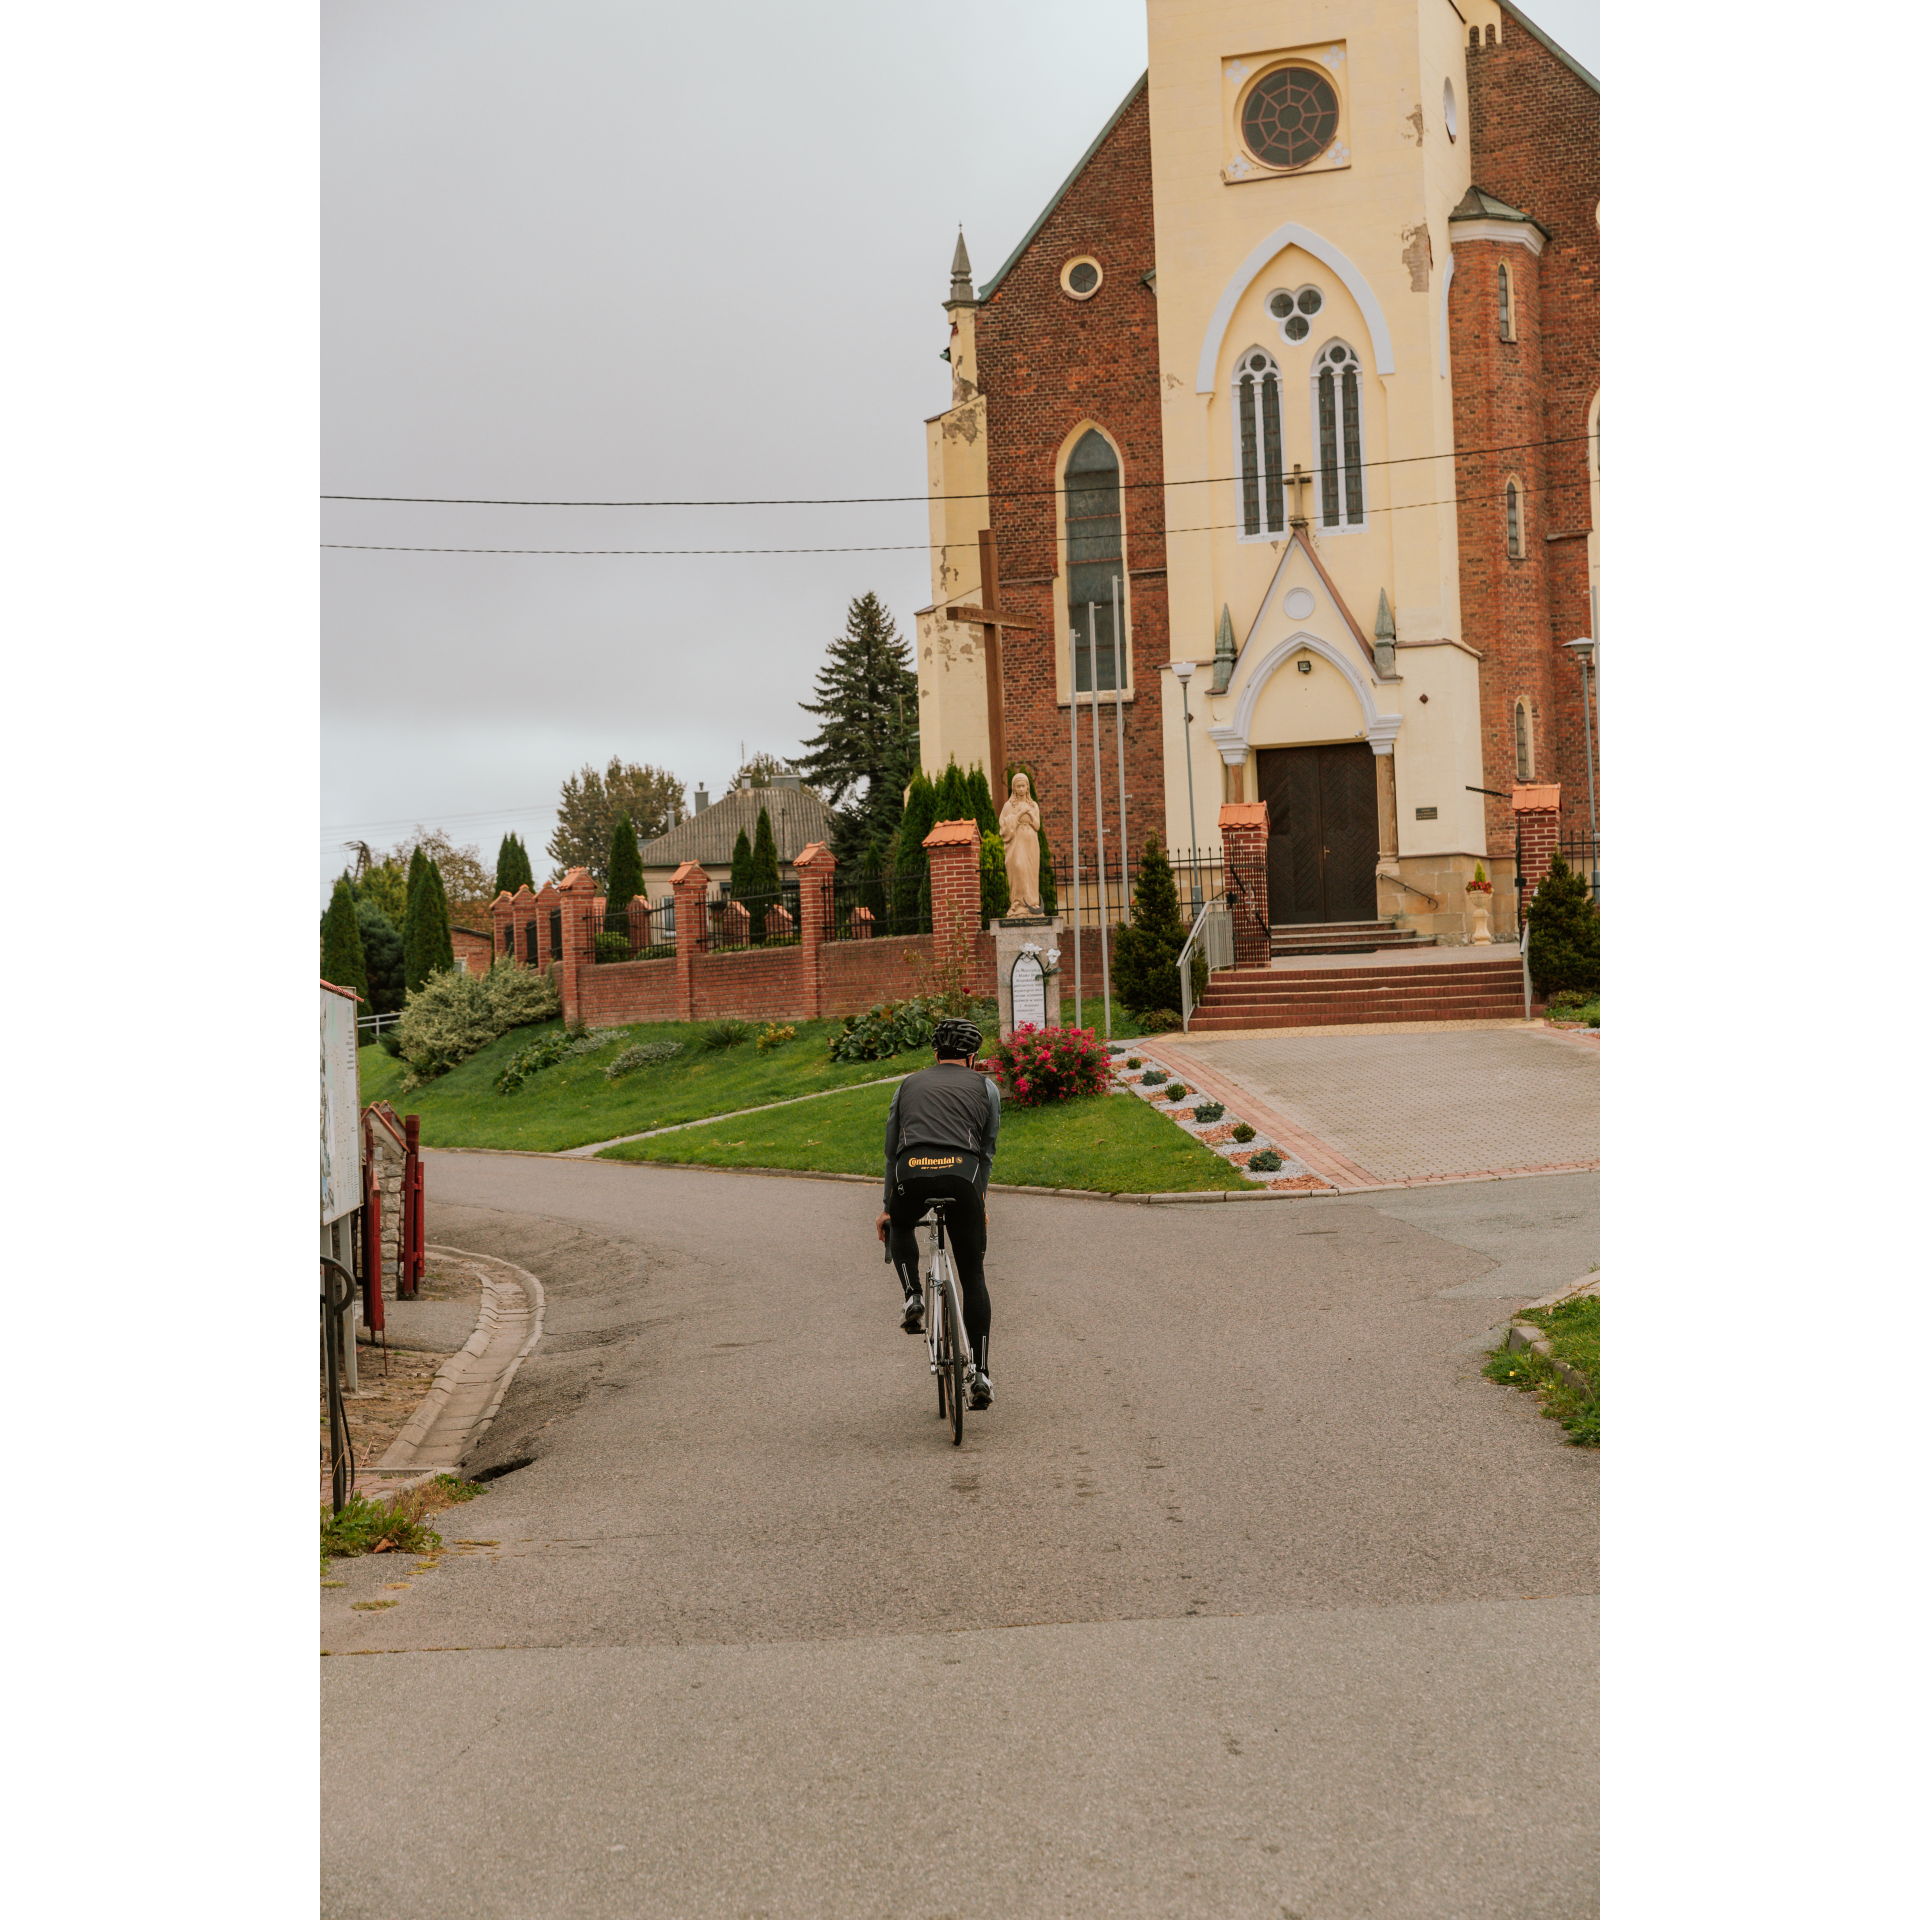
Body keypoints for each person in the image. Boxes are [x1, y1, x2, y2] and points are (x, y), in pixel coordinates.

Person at [874, 1016, 1000, 1408]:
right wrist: (979, 1202)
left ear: (935, 1053)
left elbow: (892, 1150)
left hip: (910, 1174)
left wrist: (886, 1209)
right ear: (973, 1056)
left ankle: (913, 1294)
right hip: (963, 1179)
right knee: (973, 1273)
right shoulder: (987, 1087)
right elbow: (986, 1150)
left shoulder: (907, 1084)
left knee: (901, 1222)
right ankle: (979, 1372)